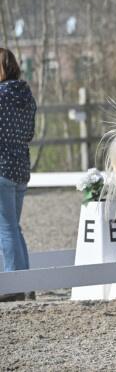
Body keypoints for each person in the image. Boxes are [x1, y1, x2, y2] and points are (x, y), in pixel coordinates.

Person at [0, 48, 36, 302]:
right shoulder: (27, 96)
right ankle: (27, 284)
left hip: (1, 166)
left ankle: (15, 285)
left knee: (6, 229)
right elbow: (30, 133)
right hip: (21, 167)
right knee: (14, 227)